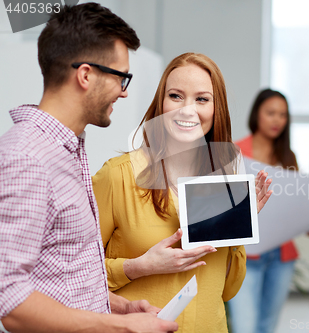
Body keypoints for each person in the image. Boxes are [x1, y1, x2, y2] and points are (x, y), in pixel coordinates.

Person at [0, 3, 179, 333]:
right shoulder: (28, 157)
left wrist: (120, 308)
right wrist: (120, 328)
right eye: (121, 78)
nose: (124, 93)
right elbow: (8, 298)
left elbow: (61, 276)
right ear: (85, 75)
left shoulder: (66, 150)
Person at [92, 52, 272, 333]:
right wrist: (138, 267)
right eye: (176, 96)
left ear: (217, 109)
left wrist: (239, 221)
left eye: (202, 99)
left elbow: (227, 289)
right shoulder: (118, 176)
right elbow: (74, 274)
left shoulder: (223, 183)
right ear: (161, 104)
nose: (187, 110)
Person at [227, 89, 299, 333]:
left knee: (267, 327)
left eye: (283, 115)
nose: (277, 120)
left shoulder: (289, 157)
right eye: (271, 113)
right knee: (245, 327)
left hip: (282, 256)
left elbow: (295, 205)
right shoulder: (234, 152)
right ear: (257, 114)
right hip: (248, 255)